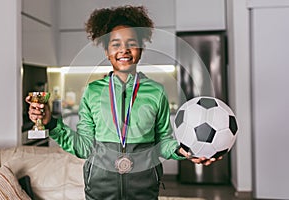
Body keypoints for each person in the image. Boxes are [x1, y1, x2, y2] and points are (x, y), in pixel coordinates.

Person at [26, 5, 221, 200]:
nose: (124, 50)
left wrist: (186, 151)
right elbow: (84, 146)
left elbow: (163, 142)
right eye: (116, 44)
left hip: (144, 191)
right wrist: (51, 123)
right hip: (100, 191)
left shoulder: (156, 92)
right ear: (106, 51)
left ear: (141, 48)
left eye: (131, 43)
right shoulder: (93, 92)